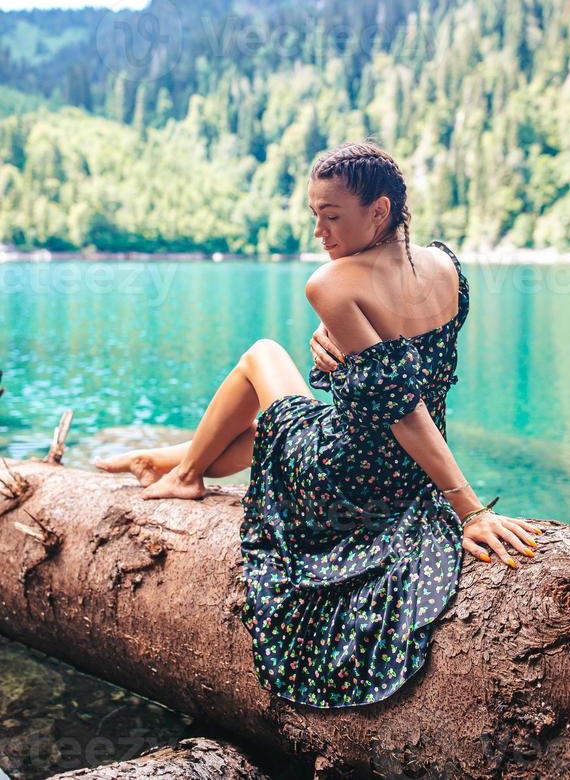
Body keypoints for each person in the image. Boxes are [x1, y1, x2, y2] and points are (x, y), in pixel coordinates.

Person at [93, 138, 541, 708]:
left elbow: (404, 409)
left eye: (331, 217)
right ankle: (176, 461)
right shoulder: (446, 265)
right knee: (276, 431)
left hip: (345, 483)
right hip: (404, 478)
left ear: (379, 211)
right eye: (314, 216)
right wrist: (335, 344)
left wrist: (470, 509)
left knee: (260, 356)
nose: (318, 233)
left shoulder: (331, 284)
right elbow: (406, 372)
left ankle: (183, 470)